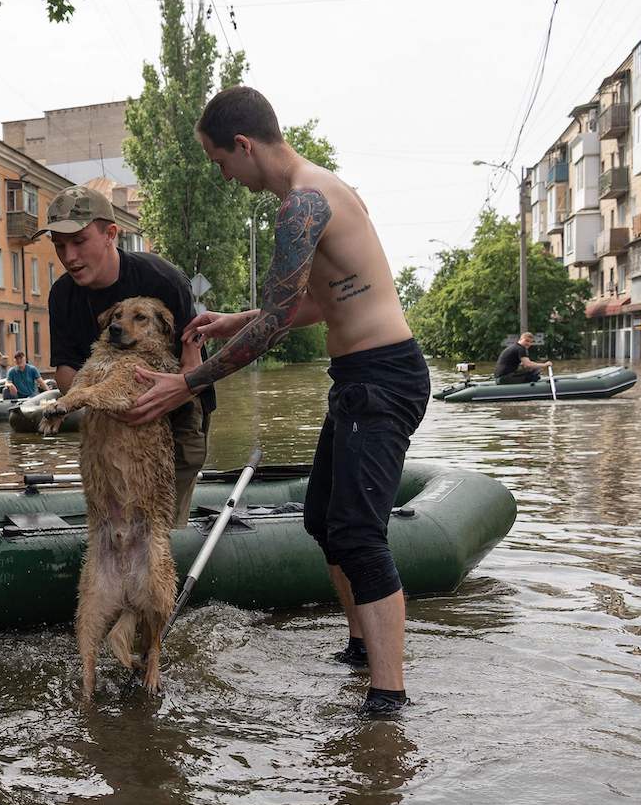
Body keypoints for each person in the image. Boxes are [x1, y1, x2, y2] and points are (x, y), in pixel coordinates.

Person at [125, 86, 430, 716]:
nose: (225, 176)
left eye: (219, 163)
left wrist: (189, 381)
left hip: (383, 378)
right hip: (360, 379)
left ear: (243, 145)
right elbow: (323, 303)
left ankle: (388, 698)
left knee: (357, 533)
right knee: (322, 517)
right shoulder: (327, 191)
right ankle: (358, 649)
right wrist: (233, 319)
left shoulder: (302, 207)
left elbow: (276, 325)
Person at [35, 185, 214, 525]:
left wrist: (170, 393)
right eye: (59, 245)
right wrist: (109, 400)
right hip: (108, 417)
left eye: (79, 241)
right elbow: (65, 370)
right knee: (116, 526)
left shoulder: (161, 278)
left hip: (176, 416)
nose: (69, 256)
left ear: (110, 234)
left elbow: (194, 362)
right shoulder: (62, 295)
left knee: (159, 531)